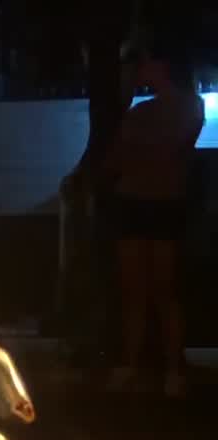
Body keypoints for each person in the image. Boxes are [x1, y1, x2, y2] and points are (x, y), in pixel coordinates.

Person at [104, 49, 205, 396]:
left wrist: (139, 154)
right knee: (135, 288)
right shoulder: (139, 109)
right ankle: (131, 365)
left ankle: (172, 369)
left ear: (163, 65)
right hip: (135, 200)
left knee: (164, 288)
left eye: (146, 63)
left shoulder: (188, 104)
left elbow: (169, 150)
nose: (140, 70)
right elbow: (117, 157)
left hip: (163, 202)